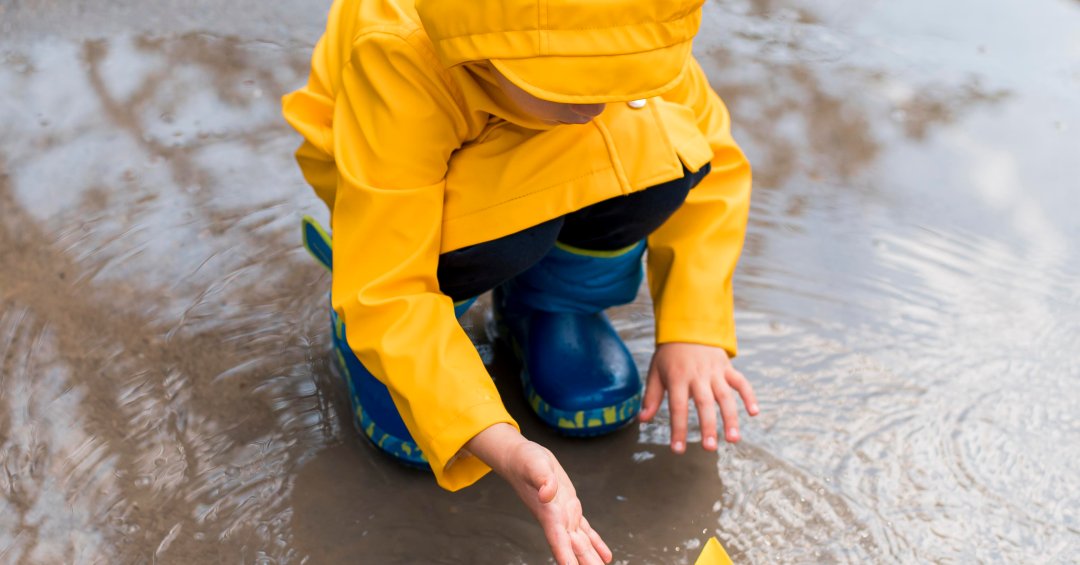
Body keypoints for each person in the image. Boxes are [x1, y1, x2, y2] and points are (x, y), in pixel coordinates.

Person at [282, 0, 759, 562]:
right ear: (487, 51)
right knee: (488, 241)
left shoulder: (631, 24)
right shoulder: (401, 54)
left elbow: (713, 164)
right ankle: (402, 356)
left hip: (524, 162)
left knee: (663, 148)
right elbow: (389, 284)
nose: (599, 105)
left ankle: (556, 302)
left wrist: (693, 326)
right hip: (390, 189)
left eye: (622, 78)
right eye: (574, 85)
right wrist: (494, 438)